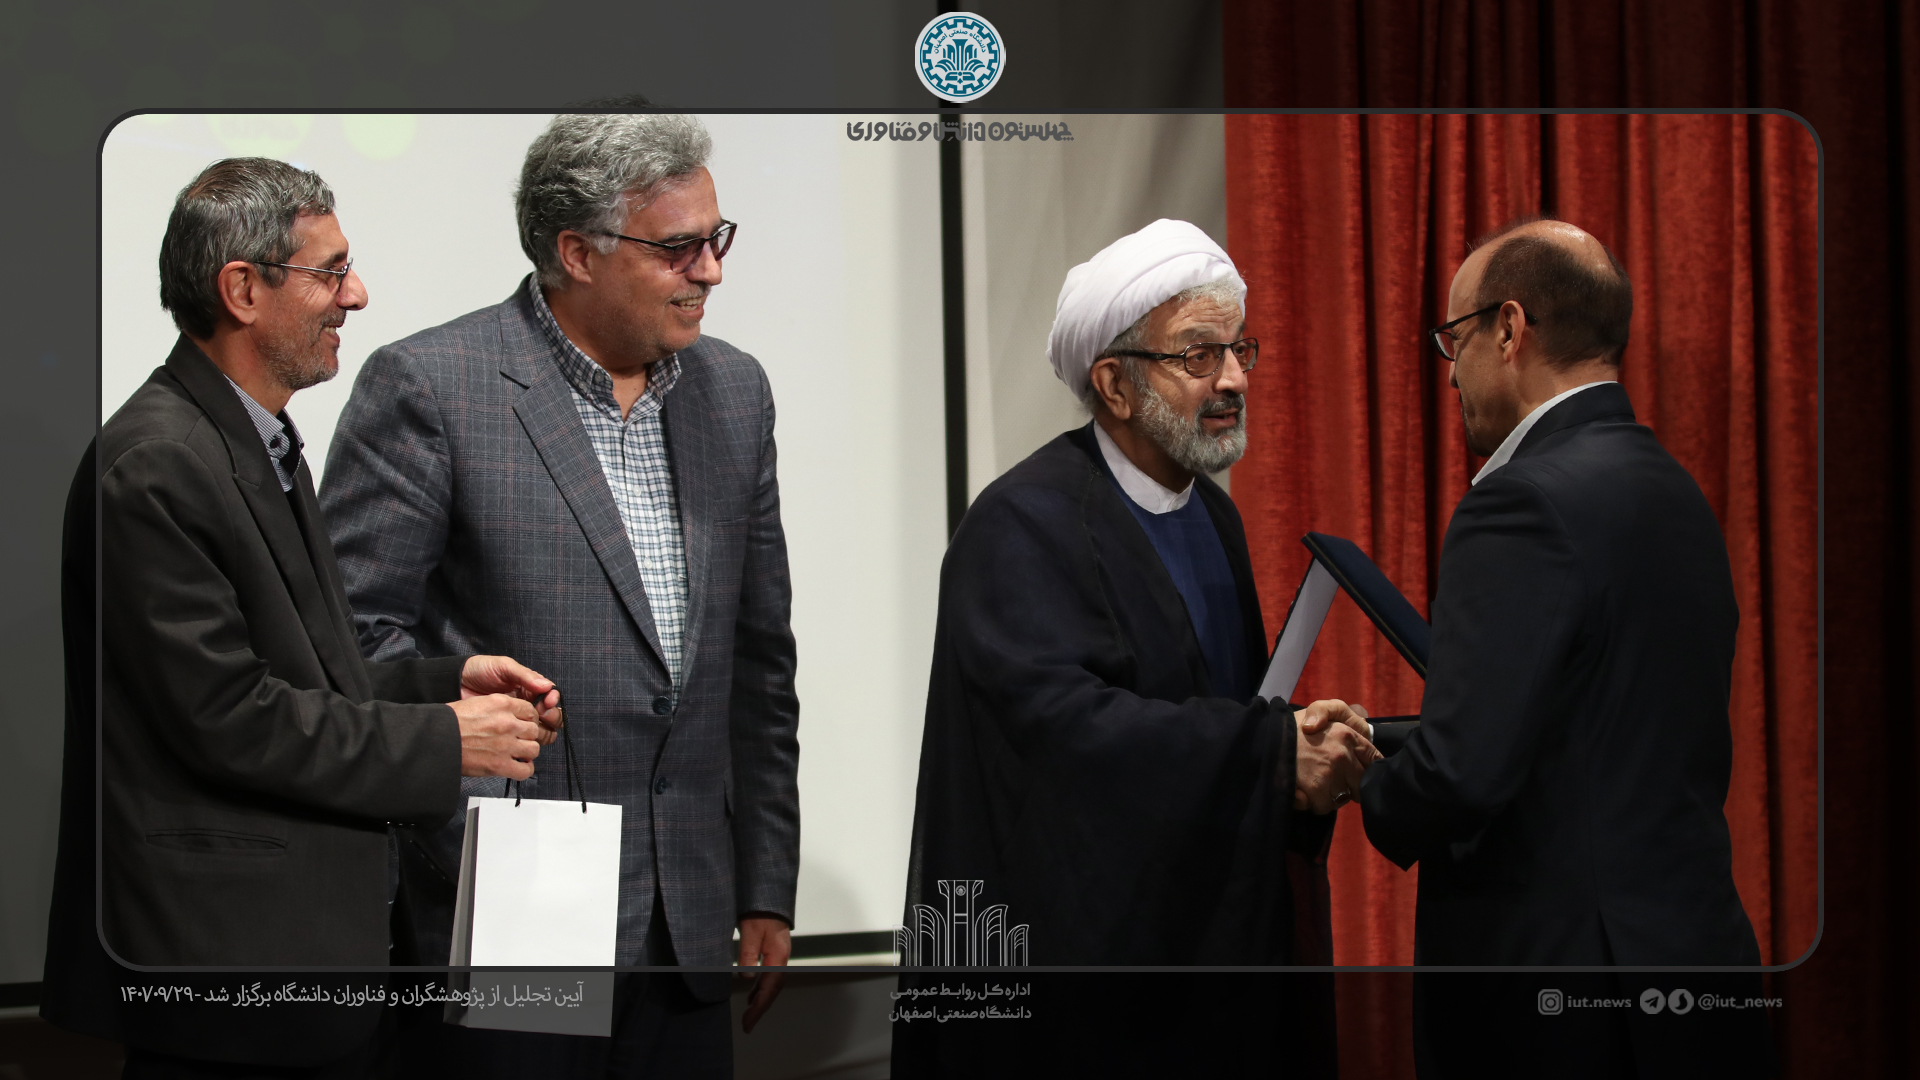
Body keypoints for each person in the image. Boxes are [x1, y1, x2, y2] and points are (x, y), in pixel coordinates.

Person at [39, 157, 562, 1078]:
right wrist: (446, 740)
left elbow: (309, 674)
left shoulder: (251, 441)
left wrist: (444, 681)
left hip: (303, 979)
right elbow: (230, 720)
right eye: (331, 272)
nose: (356, 295)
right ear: (242, 290)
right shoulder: (157, 464)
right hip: (230, 989)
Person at [318, 114, 798, 1078]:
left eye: (716, 238)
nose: (710, 270)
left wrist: (764, 884)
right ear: (577, 252)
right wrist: (468, 799)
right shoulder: (432, 385)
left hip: (689, 920)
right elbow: (350, 644)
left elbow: (758, 662)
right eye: (677, 247)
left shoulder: (736, 392)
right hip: (511, 905)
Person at [893, 219, 1376, 1077]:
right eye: (1198, 355)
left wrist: (1293, 739)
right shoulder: (1019, 525)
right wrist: (1270, 754)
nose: (1233, 379)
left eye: (1238, 350)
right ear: (1114, 384)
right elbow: (1064, 743)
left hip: (1206, 956)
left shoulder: (1213, 515)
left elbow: (1221, 707)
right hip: (1080, 985)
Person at [1335, 216, 1772, 1075]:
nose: (1449, 372)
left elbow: (1462, 774)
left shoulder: (1519, 502)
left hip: (1562, 1001)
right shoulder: (1676, 491)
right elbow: (1585, 730)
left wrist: (1358, 779)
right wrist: (1383, 734)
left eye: (1455, 338)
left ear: (1508, 329)